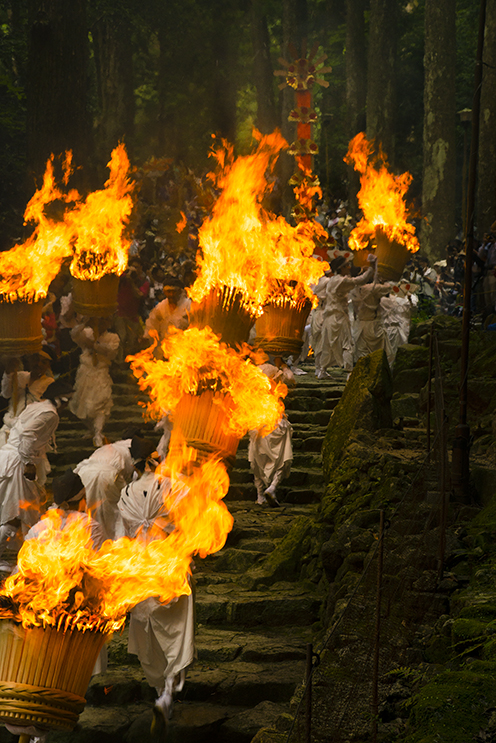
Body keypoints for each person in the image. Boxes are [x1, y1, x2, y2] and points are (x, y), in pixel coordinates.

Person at [117, 453, 194, 734]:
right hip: (169, 564)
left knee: (146, 632)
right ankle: (168, 693)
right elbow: (192, 517)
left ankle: (160, 689)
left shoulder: (126, 494)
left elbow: (123, 535)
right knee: (175, 630)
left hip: (138, 568)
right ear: (154, 461)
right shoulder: (171, 486)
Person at [0, 378, 72, 566]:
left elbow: (19, 426)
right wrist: (29, 463)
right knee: (18, 512)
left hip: (12, 458)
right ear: (61, 400)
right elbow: (28, 435)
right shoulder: (50, 413)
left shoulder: (36, 406)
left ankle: (19, 557)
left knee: (19, 511)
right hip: (19, 463)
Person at [73, 435, 151, 541]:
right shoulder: (134, 452)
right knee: (115, 512)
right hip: (106, 476)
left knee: (92, 511)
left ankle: (95, 541)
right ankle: (114, 542)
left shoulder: (116, 447)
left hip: (84, 472)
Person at [248, 358, 295, 507]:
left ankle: (260, 495)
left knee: (257, 461)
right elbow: (292, 379)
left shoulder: (253, 385)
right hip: (276, 424)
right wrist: (284, 366)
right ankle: (273, 487)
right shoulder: (276, 383)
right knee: (281, 460)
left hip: (258, 425)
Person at [318, 255, 374, 376]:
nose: (349, 267)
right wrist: (371, 268)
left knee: (327, 344)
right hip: (339, 317)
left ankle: (322, 370)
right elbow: (360, 281)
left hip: (329, 317)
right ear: (341, 268)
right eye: (347, 265)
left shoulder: (332, 280)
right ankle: (349, 372)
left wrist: (362, 271)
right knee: (347, 344)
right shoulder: (341, 281)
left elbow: (353, 280)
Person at [69, 317, 120, 447]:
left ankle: (99, 432)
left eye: (104, 321)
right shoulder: (86, 332)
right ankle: (91, 429)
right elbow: (74, 335)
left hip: (101, 372)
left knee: (101, 403)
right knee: (80, 404)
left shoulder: (113, 337)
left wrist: (95, 345)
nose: (101, 324)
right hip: (85, 373)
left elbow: (110, 352)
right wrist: (85, 323)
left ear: (108, 322)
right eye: (99, 321)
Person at [0, 352, 54, 446]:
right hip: (12, 421)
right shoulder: (20, 376)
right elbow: (6, 394)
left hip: (32, 424)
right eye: (36, 360)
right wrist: (9, 373)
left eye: (43, 362)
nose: (39, 364)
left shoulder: (49, 382)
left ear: (48, 365)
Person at [352, 279, 395, 366]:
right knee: (378, 352)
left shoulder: (355, 289)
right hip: (373, 324)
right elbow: (388, 287)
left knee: (363, 352)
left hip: (361, 324)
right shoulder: (372, 288)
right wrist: (383, 280)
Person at [145, 277, 190, 344]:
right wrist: (147, 336)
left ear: (180, 291)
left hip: (184, 346)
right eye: (168, 292)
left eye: (174, 291)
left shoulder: (189, 306)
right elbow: (151, 324)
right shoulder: (161, 307)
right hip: (165, 347)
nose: (171, 295)